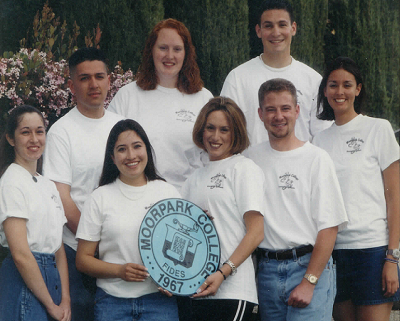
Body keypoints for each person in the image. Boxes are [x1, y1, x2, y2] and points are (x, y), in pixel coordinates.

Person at [246, 79, 348, 321]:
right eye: (270, 109)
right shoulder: (250, 160)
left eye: (285, 108)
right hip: (267, 271)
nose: (278, 116)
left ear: (297, 111)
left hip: (308, 266)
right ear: (260, 114)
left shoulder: (316, 159)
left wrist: (309, 282)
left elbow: (329, 227)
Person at [313, 57, 400, 321]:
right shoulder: (319, 140)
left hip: (373, 250)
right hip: (334, 253)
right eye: (333, 85)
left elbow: (394, 197)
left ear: (358, 89)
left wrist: (392, 257)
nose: (340, 92)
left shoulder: (378, 129)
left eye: (347, 85)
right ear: (325, 90)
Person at [43, 48, 124, 320]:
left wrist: (116, 242)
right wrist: (95, 243)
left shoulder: (121, 127)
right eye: (84, 78)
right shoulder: (61, 132)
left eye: (99, 76)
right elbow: (61, 198)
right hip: (75, 251)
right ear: (71, 85)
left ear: (109, 80)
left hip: (119, 252)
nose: (93, 84)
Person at [75, 119, 180, 321]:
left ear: (147, 150)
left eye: (137, 146)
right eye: (122, 149)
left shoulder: (168, 193)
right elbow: (83, 260)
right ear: (112, 158)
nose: (131, 156)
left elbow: (183, 254)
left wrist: (173, 283)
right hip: (111, 303)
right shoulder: (99, 197)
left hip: (159, 303)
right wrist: (119, 271)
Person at [180, 97, 265, 320]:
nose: (215, 137)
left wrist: (223, 273)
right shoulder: (193, 179)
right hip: (196, 293)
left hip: (233, 293)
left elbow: (256, 232)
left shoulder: (244, 168)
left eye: (224, 130)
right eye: (210, 128)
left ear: (235, 133)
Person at [108, 18, 213, 190]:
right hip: (137, 195)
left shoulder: (203, 98)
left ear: (186, 54)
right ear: (151, 50)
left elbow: (214, 155)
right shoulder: (127, 96)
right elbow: (110, 149)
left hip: (188, 199)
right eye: (163, 48)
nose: (169, 56)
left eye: (177, 49)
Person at [220, 0, 330, 146]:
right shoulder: (237, 78)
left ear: (293, 28)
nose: (276, 32)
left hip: (300, 168)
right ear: (258, 31)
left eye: (282, 25)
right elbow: (225, 131)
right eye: (268, 26)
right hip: (252, 167)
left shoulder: (313, 80)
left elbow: (323, 137)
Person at [0, 105, 71, 321]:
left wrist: (65, 299)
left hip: (53, 280)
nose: (34, 139)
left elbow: (58, 249)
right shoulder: (11, 182)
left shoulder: (47, 184)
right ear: (11, 139)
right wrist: (50, 304)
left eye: (39, 131)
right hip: (24, 280)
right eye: (25, 132)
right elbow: (21, 254)